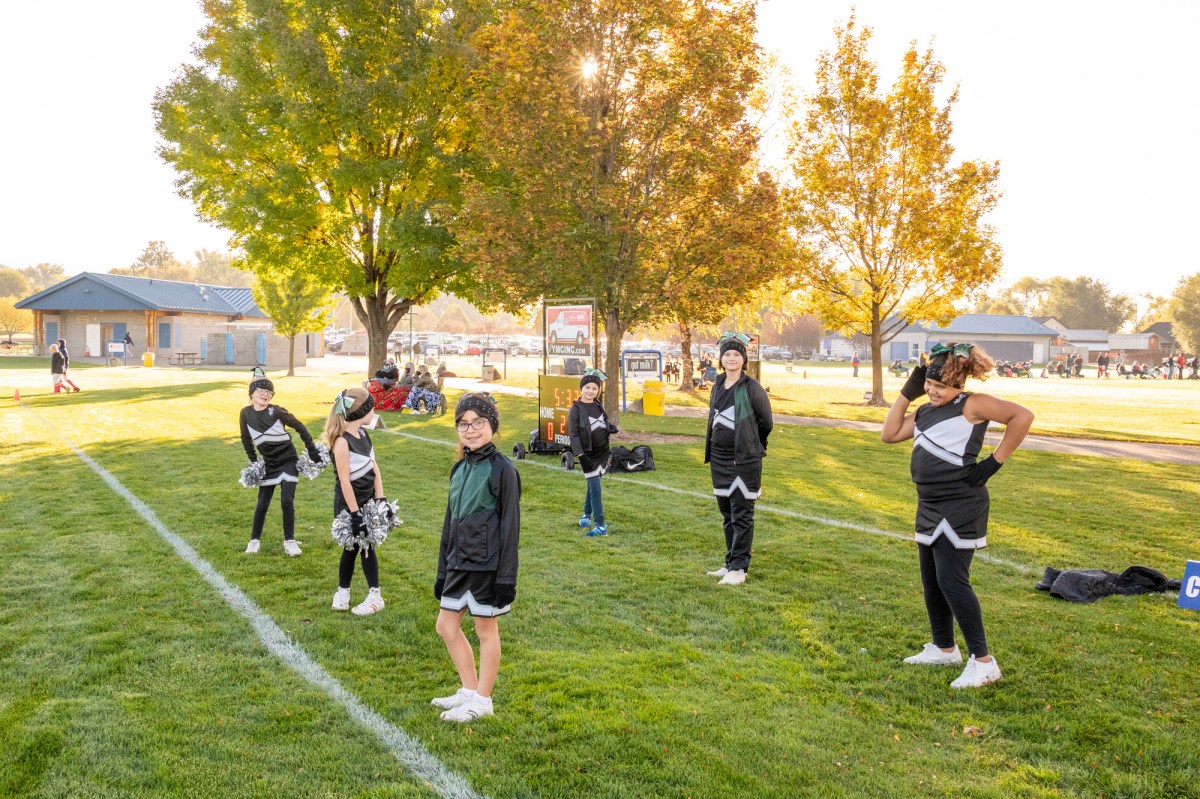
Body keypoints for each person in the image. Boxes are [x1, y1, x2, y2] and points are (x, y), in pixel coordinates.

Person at [881, 342, 1034, 689]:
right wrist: (906, 394)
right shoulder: (924, 411)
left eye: (941, 386)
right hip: (928, 504)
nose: (933, 391)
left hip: (960, 504)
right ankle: (943, 648)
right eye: (929, 384)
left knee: (952, 581)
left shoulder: (972, 404)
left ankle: (984, 663)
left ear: (959, 385)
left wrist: (993, 463)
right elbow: (889, 434)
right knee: (932, 580)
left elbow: (1022, 416)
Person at [432, 393, 521, 722]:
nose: (470, 430)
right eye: (463, 424)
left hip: (487, 565)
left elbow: (510, 527)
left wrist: (505, 578)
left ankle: (483, 701)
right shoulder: (459, 468)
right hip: (458, 563)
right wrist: (442, 570)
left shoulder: (503, 469)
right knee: (446, 626)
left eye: (478, 422)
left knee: (486, 630)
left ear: (492, 425)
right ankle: (469, 690)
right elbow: (449, 522)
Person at [703, 333, 773, 586]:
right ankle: (730, 562)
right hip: (719, 459)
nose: (731, 358)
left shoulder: (752, 388)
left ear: (744, 360)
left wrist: (751, 444)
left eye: (736, 354)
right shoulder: (717, 384)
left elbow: (766, 422)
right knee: (727, 514)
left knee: (741, 514)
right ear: (721, 359)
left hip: (743, 461)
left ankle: (739, 569)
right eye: (727, 354)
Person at [239, 369, 321, 556]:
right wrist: (254, 462)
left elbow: (299, 426)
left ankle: (289, 541)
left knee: (286, 500)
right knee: (262, 503)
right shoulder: (245, 413)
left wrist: (312, 449)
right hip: (268, 463)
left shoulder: (276, 411)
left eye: (269, 392)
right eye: (261, 391)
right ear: (252, 393)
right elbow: (246, 439)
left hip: (288, 460)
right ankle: (254, 541)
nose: (266, 395)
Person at [325, 387, 388, 615]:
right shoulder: (342, 442)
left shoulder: (363, 434)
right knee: (351, 547)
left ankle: (374, 595)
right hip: (349, 505)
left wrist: (380, 498)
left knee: (367, 546)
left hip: (368, 501)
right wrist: (355, 515)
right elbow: (344, 481)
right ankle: (344, 592)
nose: (374, 412)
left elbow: (374, 467)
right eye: (372, 408)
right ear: (362, 412)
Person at [568, 369, 618, 537]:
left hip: (602, 453)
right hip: (587, 455)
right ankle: (601, 525)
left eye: (594, 388)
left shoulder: (597, 405)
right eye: (587, 387)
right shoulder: (576, 409)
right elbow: (574, 434)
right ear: (581, 388)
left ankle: (586, 515)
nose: (590, 391)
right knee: (596, 489)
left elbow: (599, 424)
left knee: (592, 486)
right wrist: (581, 456)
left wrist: (609, 428)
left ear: (598, 390)